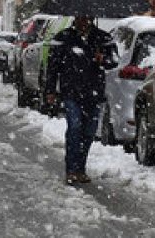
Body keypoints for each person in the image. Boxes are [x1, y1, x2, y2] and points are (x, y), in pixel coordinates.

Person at [45, 15, 116, 184]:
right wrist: (50, 90)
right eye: (80, 18)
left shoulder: (103, 38)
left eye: (86, 18)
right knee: (75, 127)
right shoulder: (64, 38)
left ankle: (81, 168)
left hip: (93, 92)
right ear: (75, 19)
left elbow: (113, 61)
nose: (83, 22)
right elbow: (53, 65)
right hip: (71, 91)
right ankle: (71, 169)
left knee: (89, 131)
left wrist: (103, 59)